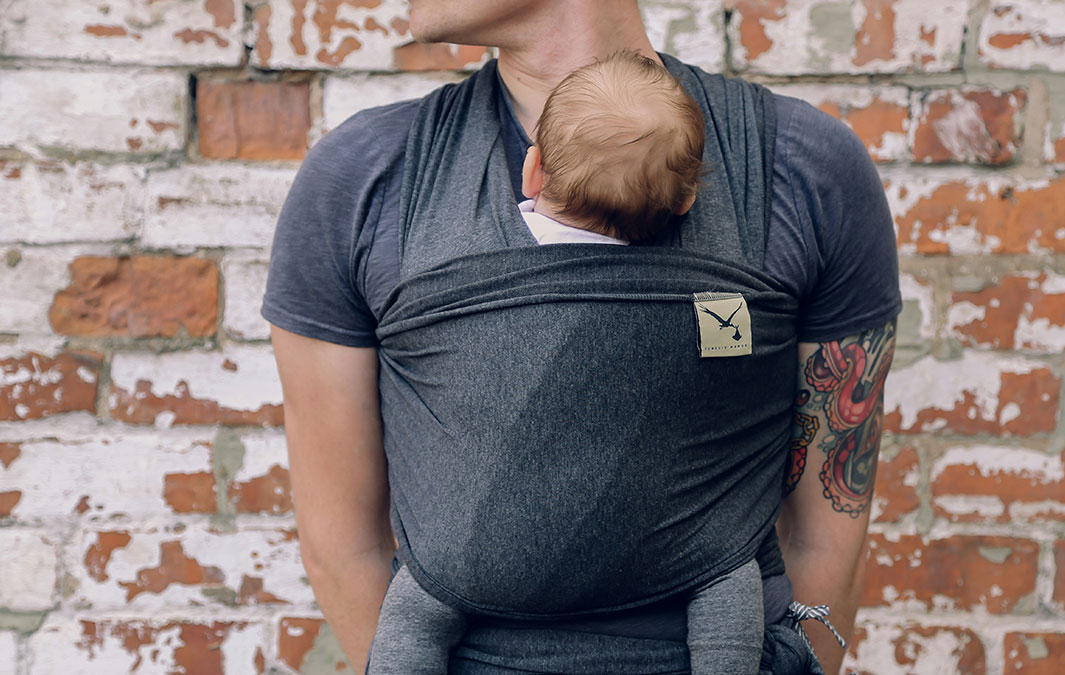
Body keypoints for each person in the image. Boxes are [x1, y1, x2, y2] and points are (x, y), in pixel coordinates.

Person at [262, 2, 901, 673]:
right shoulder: (363, 177)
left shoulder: (800, 167)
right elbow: (343, 543)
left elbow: (827, 534)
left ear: (533, 172)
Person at [366, 50, 768, 675]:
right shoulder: (713, 301)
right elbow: (735, 370)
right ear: (686, 201)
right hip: (674, 551)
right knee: (728, 572)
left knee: (416, 611)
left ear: (532, 171)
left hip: (471, 555)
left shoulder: (470, 268)